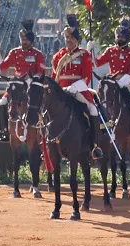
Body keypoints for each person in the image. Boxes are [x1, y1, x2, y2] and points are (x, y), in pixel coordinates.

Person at [51, 14, 103, 160]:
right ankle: (47, 146)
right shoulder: (58, 56)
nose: (68, 41)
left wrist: (73, 88)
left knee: (92, 110)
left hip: (78, 91)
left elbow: (86, 77)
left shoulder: (84, 55)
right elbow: (54, 77)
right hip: (61, 92)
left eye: (71, 38)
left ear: (77, 40)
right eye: (67, 38)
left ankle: (95, 145)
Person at [90, 18, 130, 146]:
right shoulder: (111, 51)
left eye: (121, 36)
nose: (119, 38)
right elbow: (97, 63)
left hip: (128, 82)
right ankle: (103, 126)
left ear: (127, 37)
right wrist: (91, 51)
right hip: (112, 82)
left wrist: (120, 81)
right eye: (118, 36)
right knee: (102, 100)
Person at [0, 19, 46, 142]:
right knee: (1, 103)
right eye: (22, 39)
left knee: (42, 104)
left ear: (31, 41)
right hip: (17, 86)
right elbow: (2, 67)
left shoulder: (38, 54)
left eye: (26, 40)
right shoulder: (15, 52)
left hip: (31, 85)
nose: (24, 42)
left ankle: (43, 130)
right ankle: (4, 132)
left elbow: (40, 72)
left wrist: (31, 79)